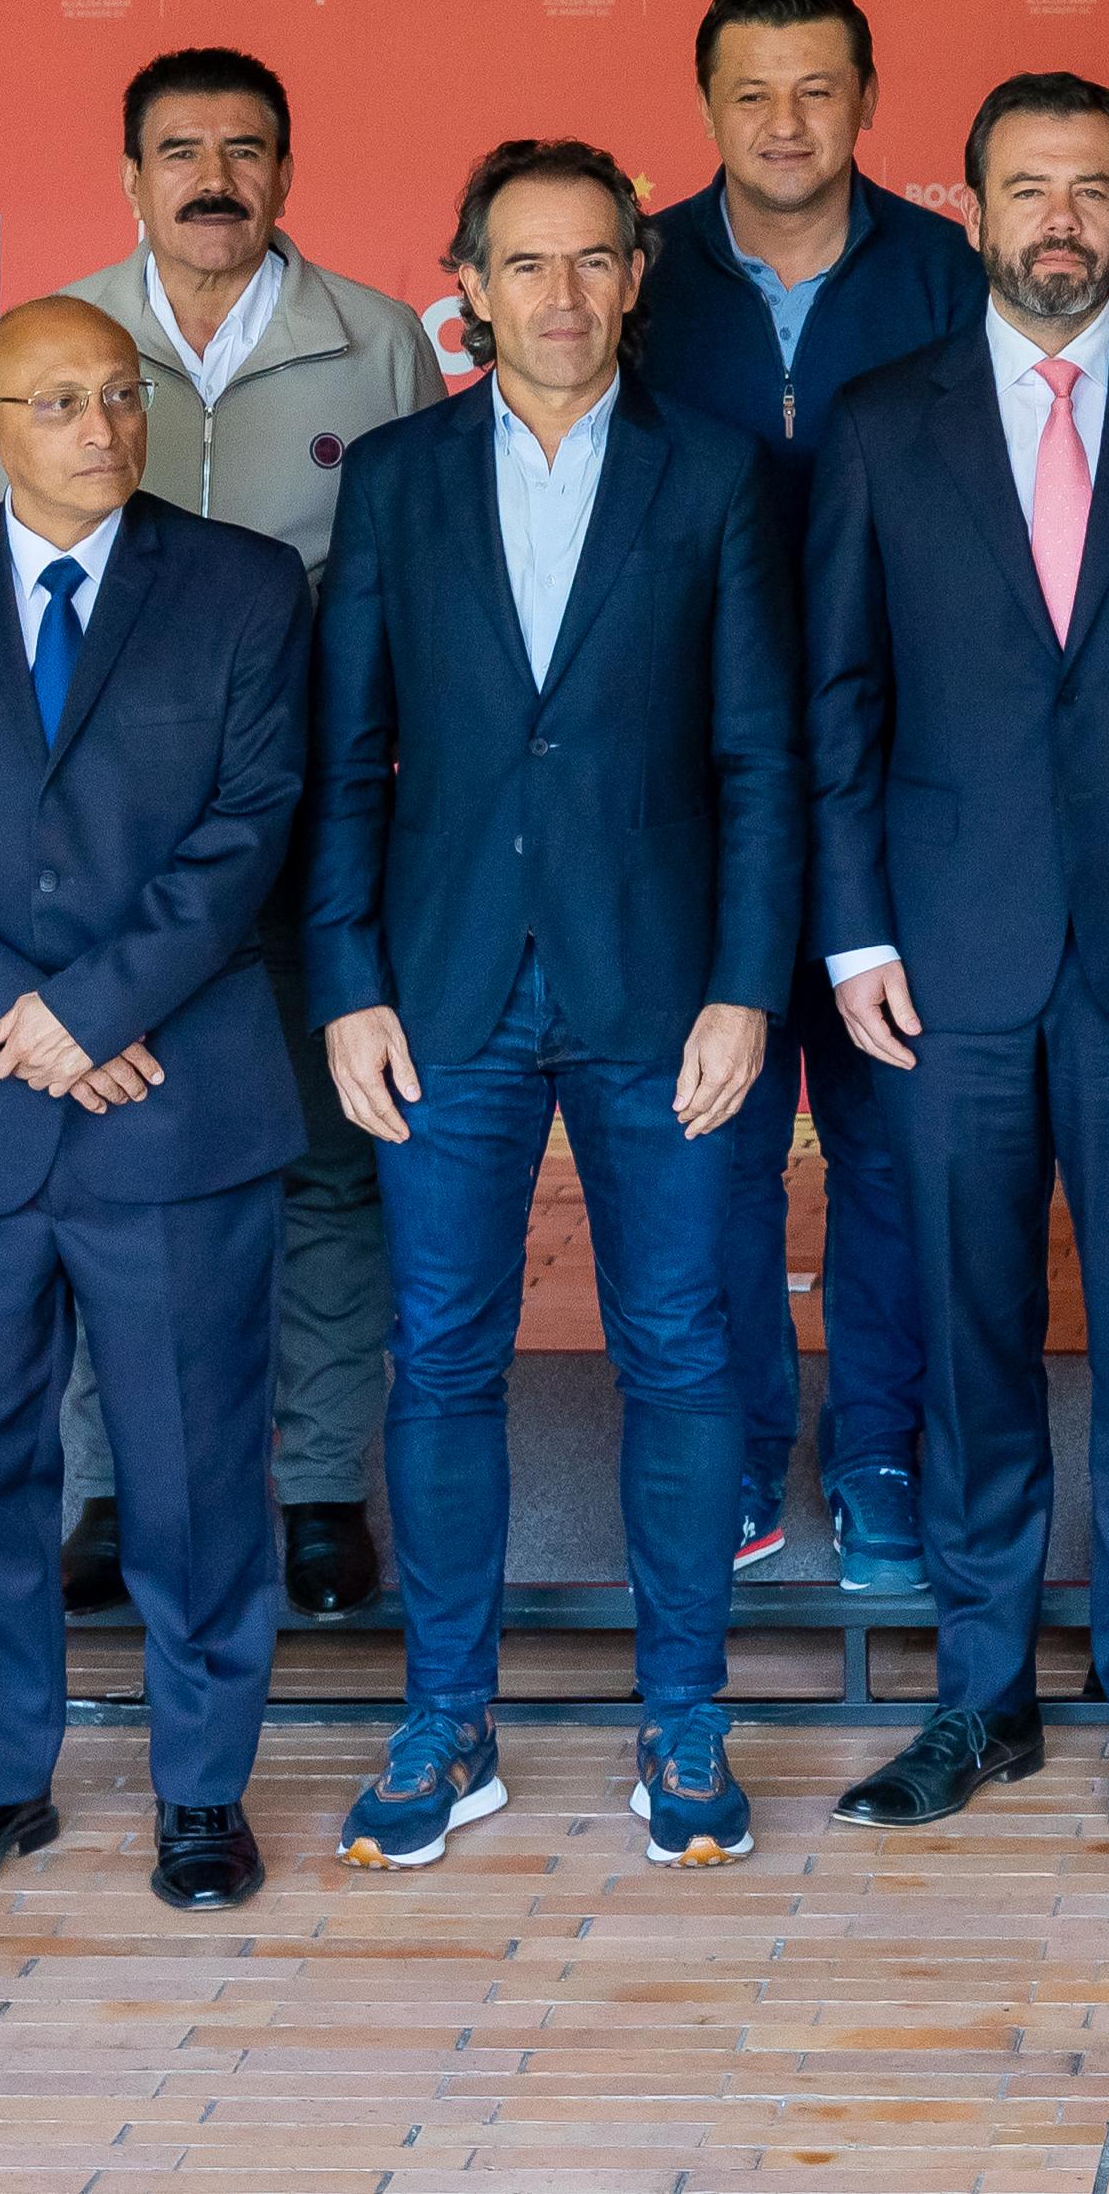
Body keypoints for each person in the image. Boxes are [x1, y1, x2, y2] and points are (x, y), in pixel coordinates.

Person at [813, 73, 1109, 1842]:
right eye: (1029, 186)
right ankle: (980, 1692)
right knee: (970, 1334)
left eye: (1092, 187)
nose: (1062, 220)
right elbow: (838, 699)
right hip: (947, 958)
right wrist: (852, 926)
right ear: (971, 205)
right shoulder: (881, 422)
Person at [307, 139, 799, 1873]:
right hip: (443, 991)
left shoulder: (718, 472)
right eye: (526, 262)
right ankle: (448, 1718)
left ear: (637, 275)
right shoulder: (397, 477)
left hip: (661, 991)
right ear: (470, 282)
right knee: (442, 1352)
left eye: (595, 258)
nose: (564, 293)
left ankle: (685, 1714)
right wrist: (347, 981)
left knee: (680, 1347)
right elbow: (347, 757)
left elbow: (761, 759)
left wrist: (748, 985)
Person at [0, 294, 312, 1911]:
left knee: (194, 1467)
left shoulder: (240, 586)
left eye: (120, 394)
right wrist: (26, 1025)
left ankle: (201, 1790)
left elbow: (251, 824)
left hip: (173, 1109)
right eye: (56, 401)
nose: (100, 427)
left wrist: (92, 1010)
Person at [1, 48, 442, 1627]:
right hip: (113, 851)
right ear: (129, 175)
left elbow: (423, 593)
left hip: (319, 831)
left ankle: (318, 1489)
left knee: (330, 1163)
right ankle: (115, 1488)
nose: (212, 178)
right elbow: (9, 599)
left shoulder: (378, 342)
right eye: (179, 149)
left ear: (287, 172)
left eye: (244, 149)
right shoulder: (59, 338)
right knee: (113, 1163)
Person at [640, 0, 984, 1592]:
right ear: (707, 107)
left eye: (818, 89)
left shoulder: (946, 274)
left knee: (892, 1145)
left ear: (868, 100)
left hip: (899, 787)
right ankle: (727, 1448)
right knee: (709, 1147)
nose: (786, 123)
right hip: (685, 791)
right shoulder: (634, 275)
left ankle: (881, 1448)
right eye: (752, 93)